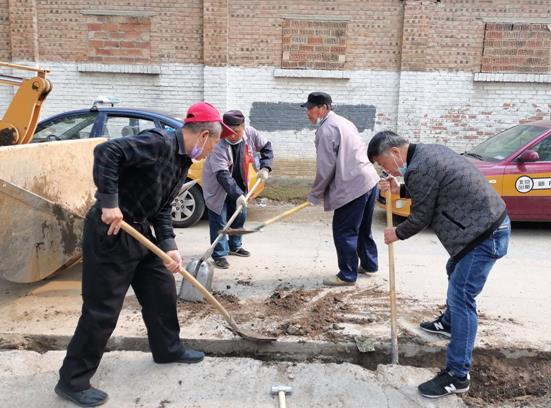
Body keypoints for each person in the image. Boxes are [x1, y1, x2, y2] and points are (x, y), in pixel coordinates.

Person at [55, 102, 235, 407]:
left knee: (161, 290)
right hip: (111, 232)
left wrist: (169, 246)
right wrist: (110, 202)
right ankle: (72, 381)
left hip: (139, 230)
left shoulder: (180, 163)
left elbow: (162, 208)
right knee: (102, 310)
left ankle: (167, 349)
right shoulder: (159, 143)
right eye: (215, 143)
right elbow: (107, 153)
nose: (211, 152)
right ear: (204, 135)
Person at [367, 130, 510, 399]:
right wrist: (401, 189)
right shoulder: (428, 153)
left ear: (395, 153)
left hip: (484, 235)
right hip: (479, 229)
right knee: (454, 271)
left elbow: (421, 215)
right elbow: (433, 189)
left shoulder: (420, 166)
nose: (387, 170)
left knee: (462, 296)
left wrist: (396, 233)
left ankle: (458, 375)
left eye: (384, 164)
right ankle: (449, 323)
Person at [302, 91, 379, 287]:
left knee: (344, 231)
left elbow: (325, 168)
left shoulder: (326, 130)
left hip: (352, 186)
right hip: (369, 181)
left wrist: (315, 194)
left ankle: (347, 274)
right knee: (362, 227)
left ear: (323, 108)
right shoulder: (345, 122)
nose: (308, 113)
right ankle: (369, 264)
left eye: (310, 109)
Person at [202, 109, 273, 269]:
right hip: (218, 186)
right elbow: (222, 175)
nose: (232, 135)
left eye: (237, 131)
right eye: (228, 131)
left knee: (239, 216)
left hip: (240, 182)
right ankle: (219, 254)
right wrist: (237, 195)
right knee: (220, 221)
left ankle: (235, 246)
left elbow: (266, 147)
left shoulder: (250, 133)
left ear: (244, 126)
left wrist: (265, 167)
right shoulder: (217, 143)